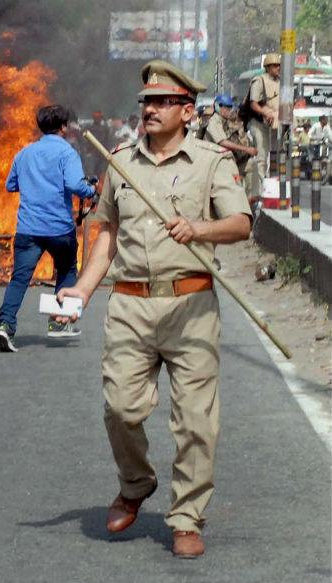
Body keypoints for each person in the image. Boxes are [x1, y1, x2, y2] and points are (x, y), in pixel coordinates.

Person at [57, 60, 252, 559]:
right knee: (120, 408)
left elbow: (239, 223)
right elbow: (106, 234)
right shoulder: (119, 160)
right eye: (146, 101)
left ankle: (187, 514)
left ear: (187, 111)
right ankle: (136, 481)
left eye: (162, 102)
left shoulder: (210, 161)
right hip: (129, 304)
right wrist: (81, 289)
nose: (150, 109)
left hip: (191, 303)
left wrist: (199, 229)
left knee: (194, 421)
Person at [0, 104, 96, 352]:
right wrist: (92, 189)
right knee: (67, 270)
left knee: (19, 278)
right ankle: (59, 323)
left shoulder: (24, 153)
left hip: (28, 228)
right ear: (64, 127)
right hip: (59, 228)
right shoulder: (67, 153)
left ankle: (5, 326)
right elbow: (75, 185)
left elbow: (10, 185)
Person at [204, 94, 258, 194]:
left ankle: (250, 201)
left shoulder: (227, 122)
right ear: (218, 106)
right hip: (215, 162)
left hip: (228, 159)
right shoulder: (214, 121)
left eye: (230, 107)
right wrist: (246, 149)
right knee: (235, 179)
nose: (229, 110)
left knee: (251, 164)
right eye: (225, 107)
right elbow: (223, 142)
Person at [247, 53, 280, 193]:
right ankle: (261, 189)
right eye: (275, 65)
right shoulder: (259, 81)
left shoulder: (280, 82)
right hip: (259, 122)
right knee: (262, 154)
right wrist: (265, 112)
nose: (278, 68)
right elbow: (253, 104)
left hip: (275, 123)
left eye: (279, 65)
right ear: (267, 67)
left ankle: (274, 186)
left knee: (277, 155)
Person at [85, 111, 113, 177]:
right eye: (96, 118)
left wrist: (108, 152)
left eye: (99, 118)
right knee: (91, 173)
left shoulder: (105, 128)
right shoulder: (89, 128)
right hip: (93, 153)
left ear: (101, 118)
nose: (98, 119)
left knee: (101, 173)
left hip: (102, 153)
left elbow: (108, 140)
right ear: (93, 118)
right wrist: (87, 151)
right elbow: (85, 141)